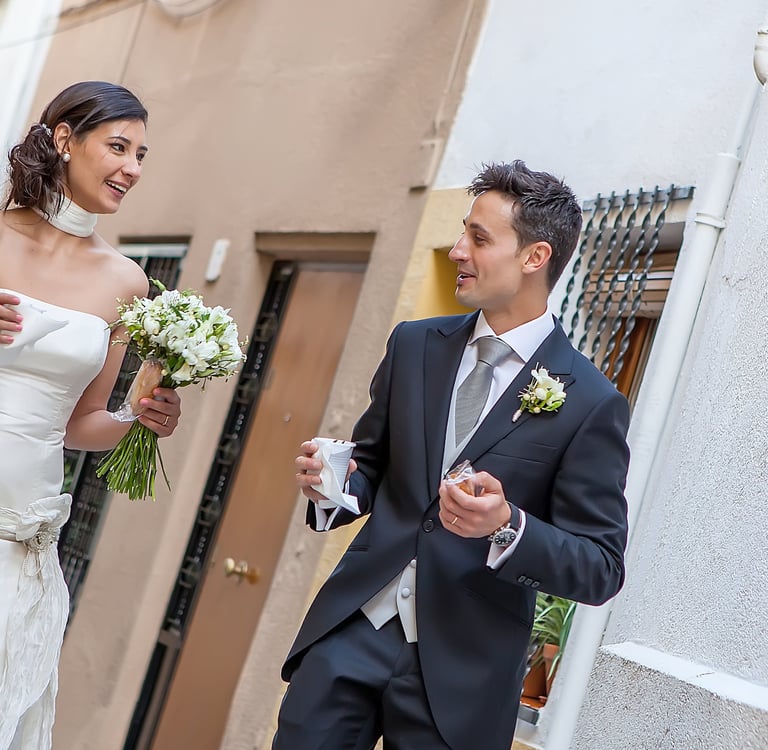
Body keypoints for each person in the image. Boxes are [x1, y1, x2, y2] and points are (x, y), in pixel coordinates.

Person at [275, 160, 631, 750]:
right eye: (463, 231)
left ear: (534, 258)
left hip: (462, 677)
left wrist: (507, 526)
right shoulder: (414, 345)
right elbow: (374, 466)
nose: (457, 250)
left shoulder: (591, 402)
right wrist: (332, 483)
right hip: (350, 635)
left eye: (480, 239)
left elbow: (600, 566)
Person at [0, 81, 182, 750]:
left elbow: (82, 424)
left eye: (141, 154)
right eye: (118, 146)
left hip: (17, 539)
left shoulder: (127, 282)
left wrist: (138, 418)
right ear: (65, 140)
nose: (133, 167)